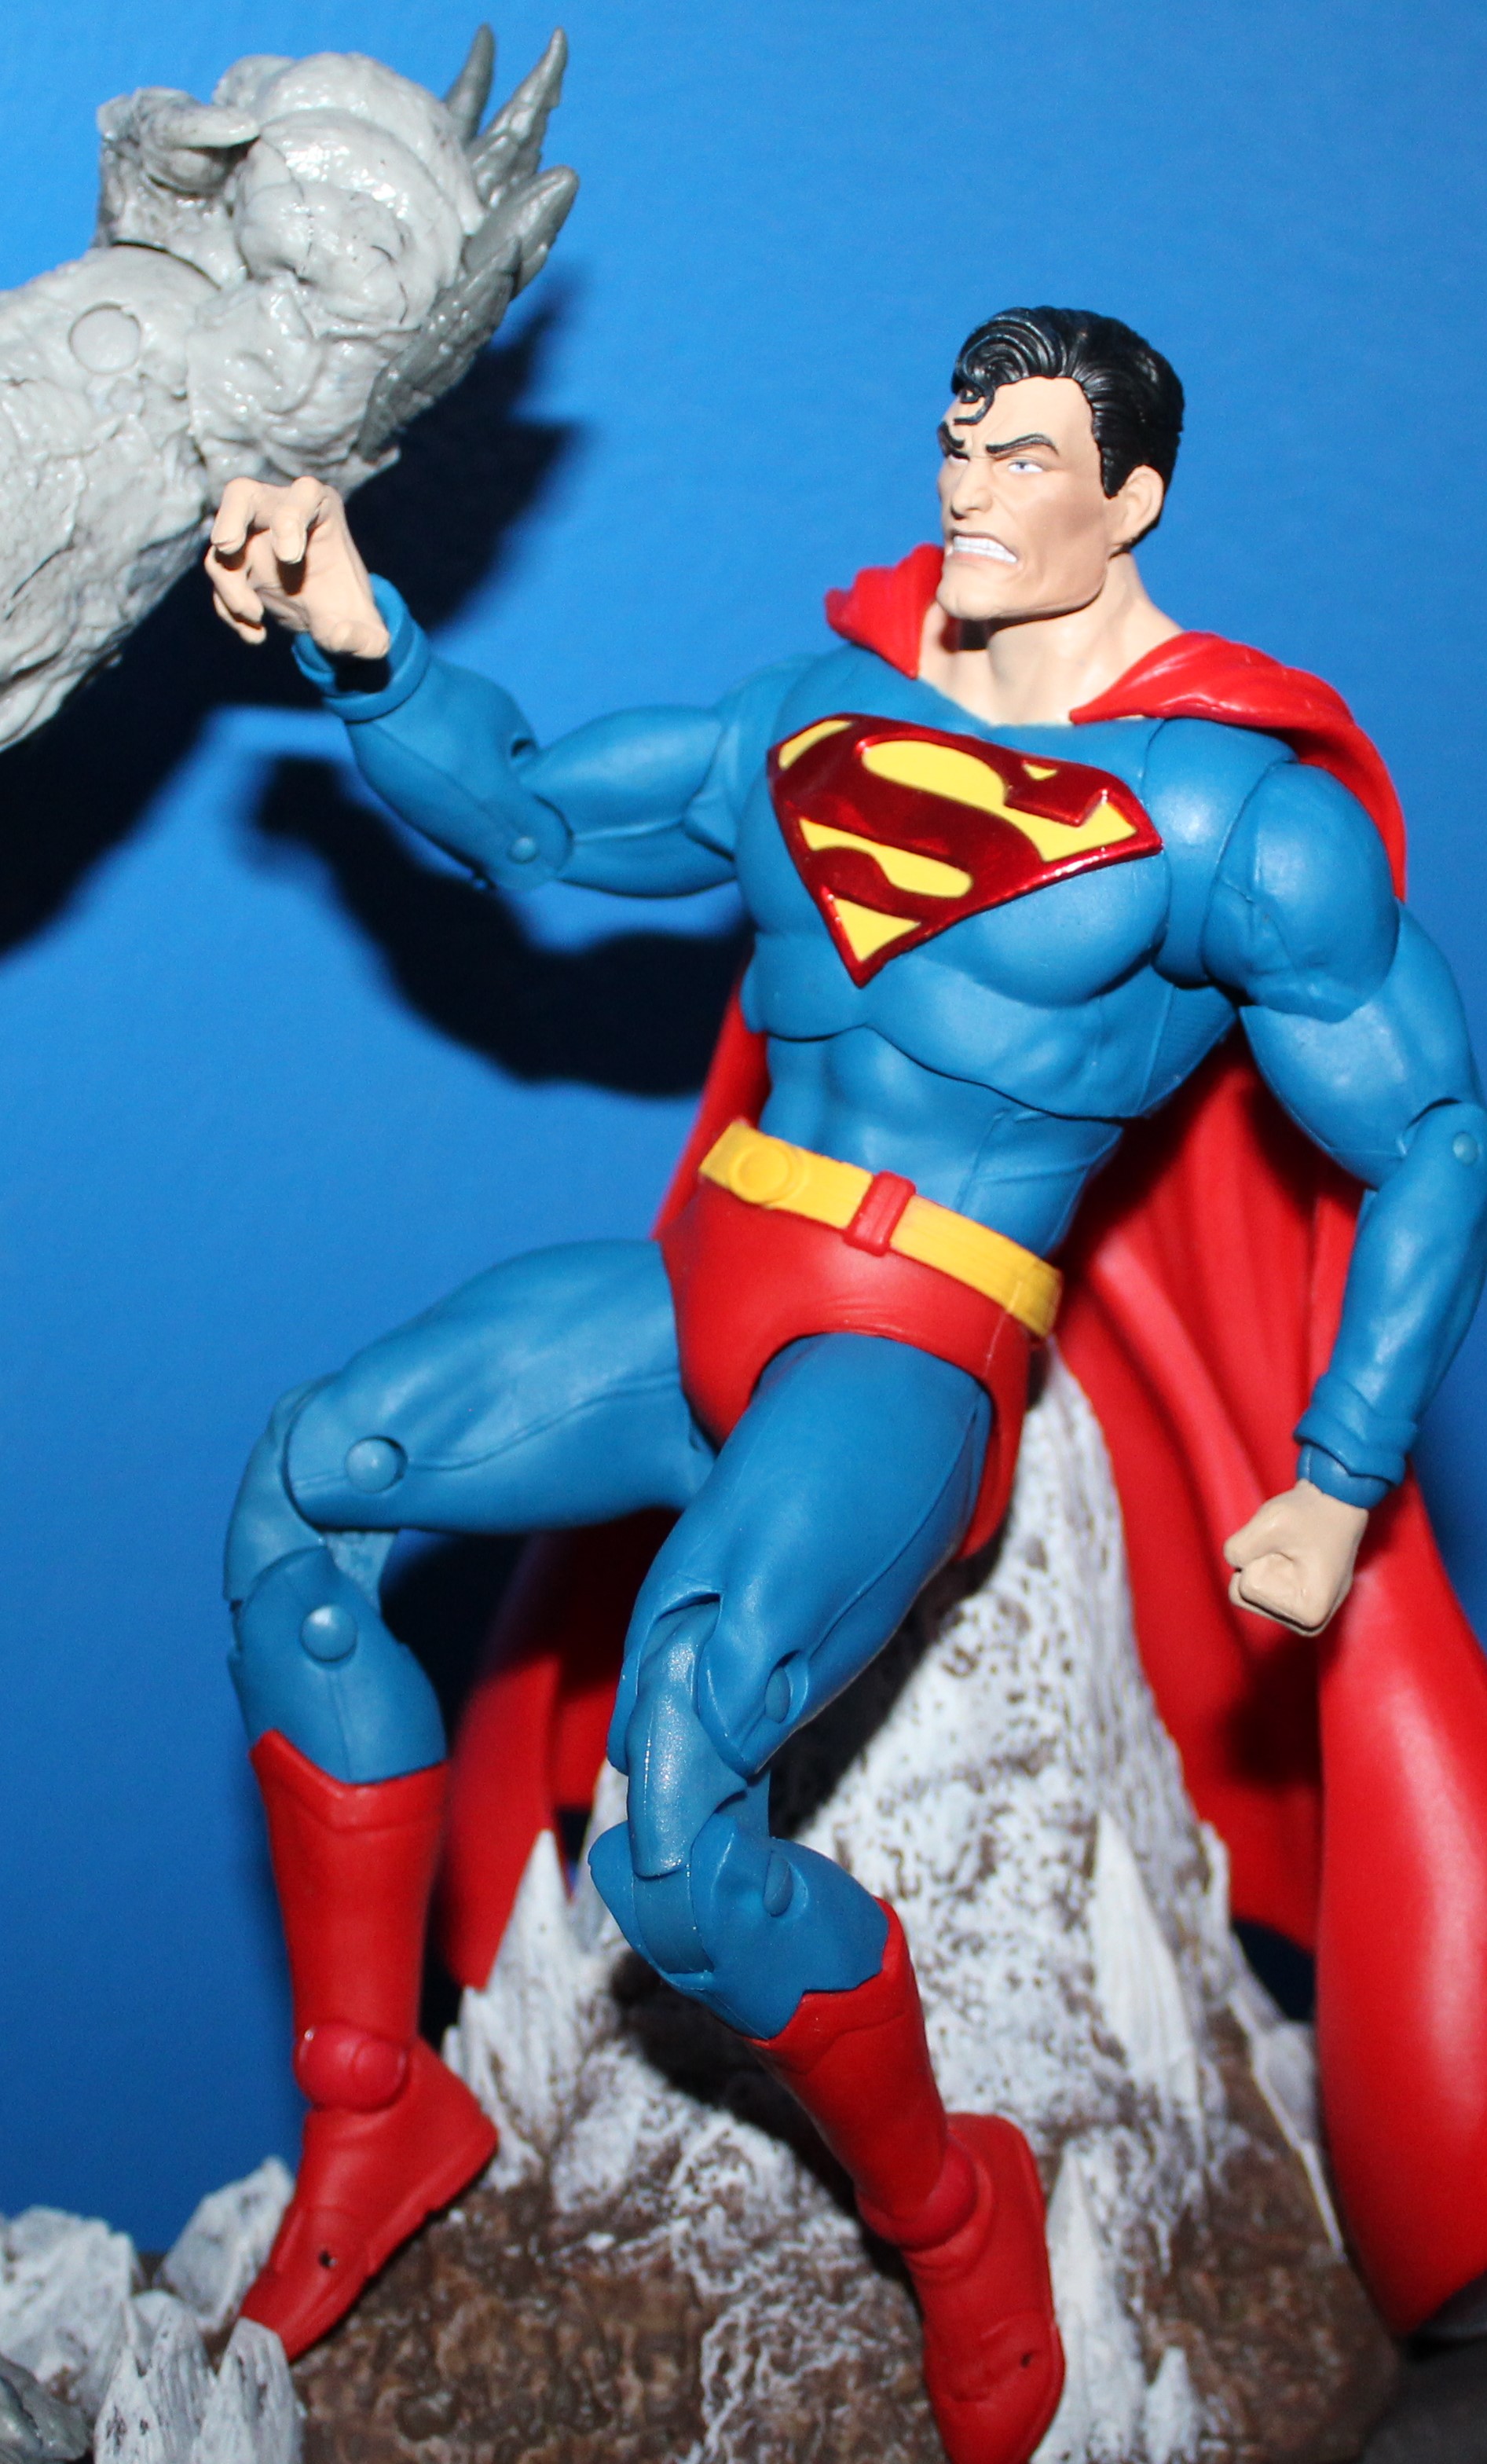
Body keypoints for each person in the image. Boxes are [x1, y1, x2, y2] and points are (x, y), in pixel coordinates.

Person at [204, 306, 1487, 2464]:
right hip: (710, 1269)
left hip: (908, 1340)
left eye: (1024, 455)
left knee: (677, 1822)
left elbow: (1431, 1131)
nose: (968, 487)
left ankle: (950, 2209)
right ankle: (376, 2106)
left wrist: (1342, 1470)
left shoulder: (1228, 821)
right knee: (305, 1487)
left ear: (1134, 499)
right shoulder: (823, 711)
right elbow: (536, 817)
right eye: (958, 442)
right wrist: (366, 638)